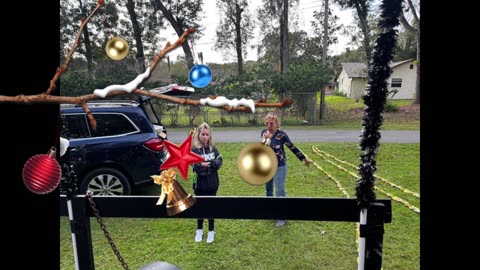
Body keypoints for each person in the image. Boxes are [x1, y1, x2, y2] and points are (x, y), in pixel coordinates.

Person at [261, 112, 311, 227]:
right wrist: (265, 139)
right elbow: (262, 149)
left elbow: (292, 147)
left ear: (277, 124)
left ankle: (282, 216)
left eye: (271, 123)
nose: (269, 126)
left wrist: (303, 158)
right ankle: (270, 212)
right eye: (267, 123)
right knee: (268, 191)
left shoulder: (281, 135)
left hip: (280, 166)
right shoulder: (263, 133)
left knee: (280, 191)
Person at [192, 122, 223, 243]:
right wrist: (210, 166)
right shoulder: (195, 150)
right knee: (199, 207)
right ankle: (199, 229)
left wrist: (208, 164)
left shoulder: (213, 148)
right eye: (203, 134)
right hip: (199, 185)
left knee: (211, 207)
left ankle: (211, 230)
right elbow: (197, 168)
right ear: (198, 134)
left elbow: (219, 162)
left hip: (212, 184)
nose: (205, 137)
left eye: (207, 135)